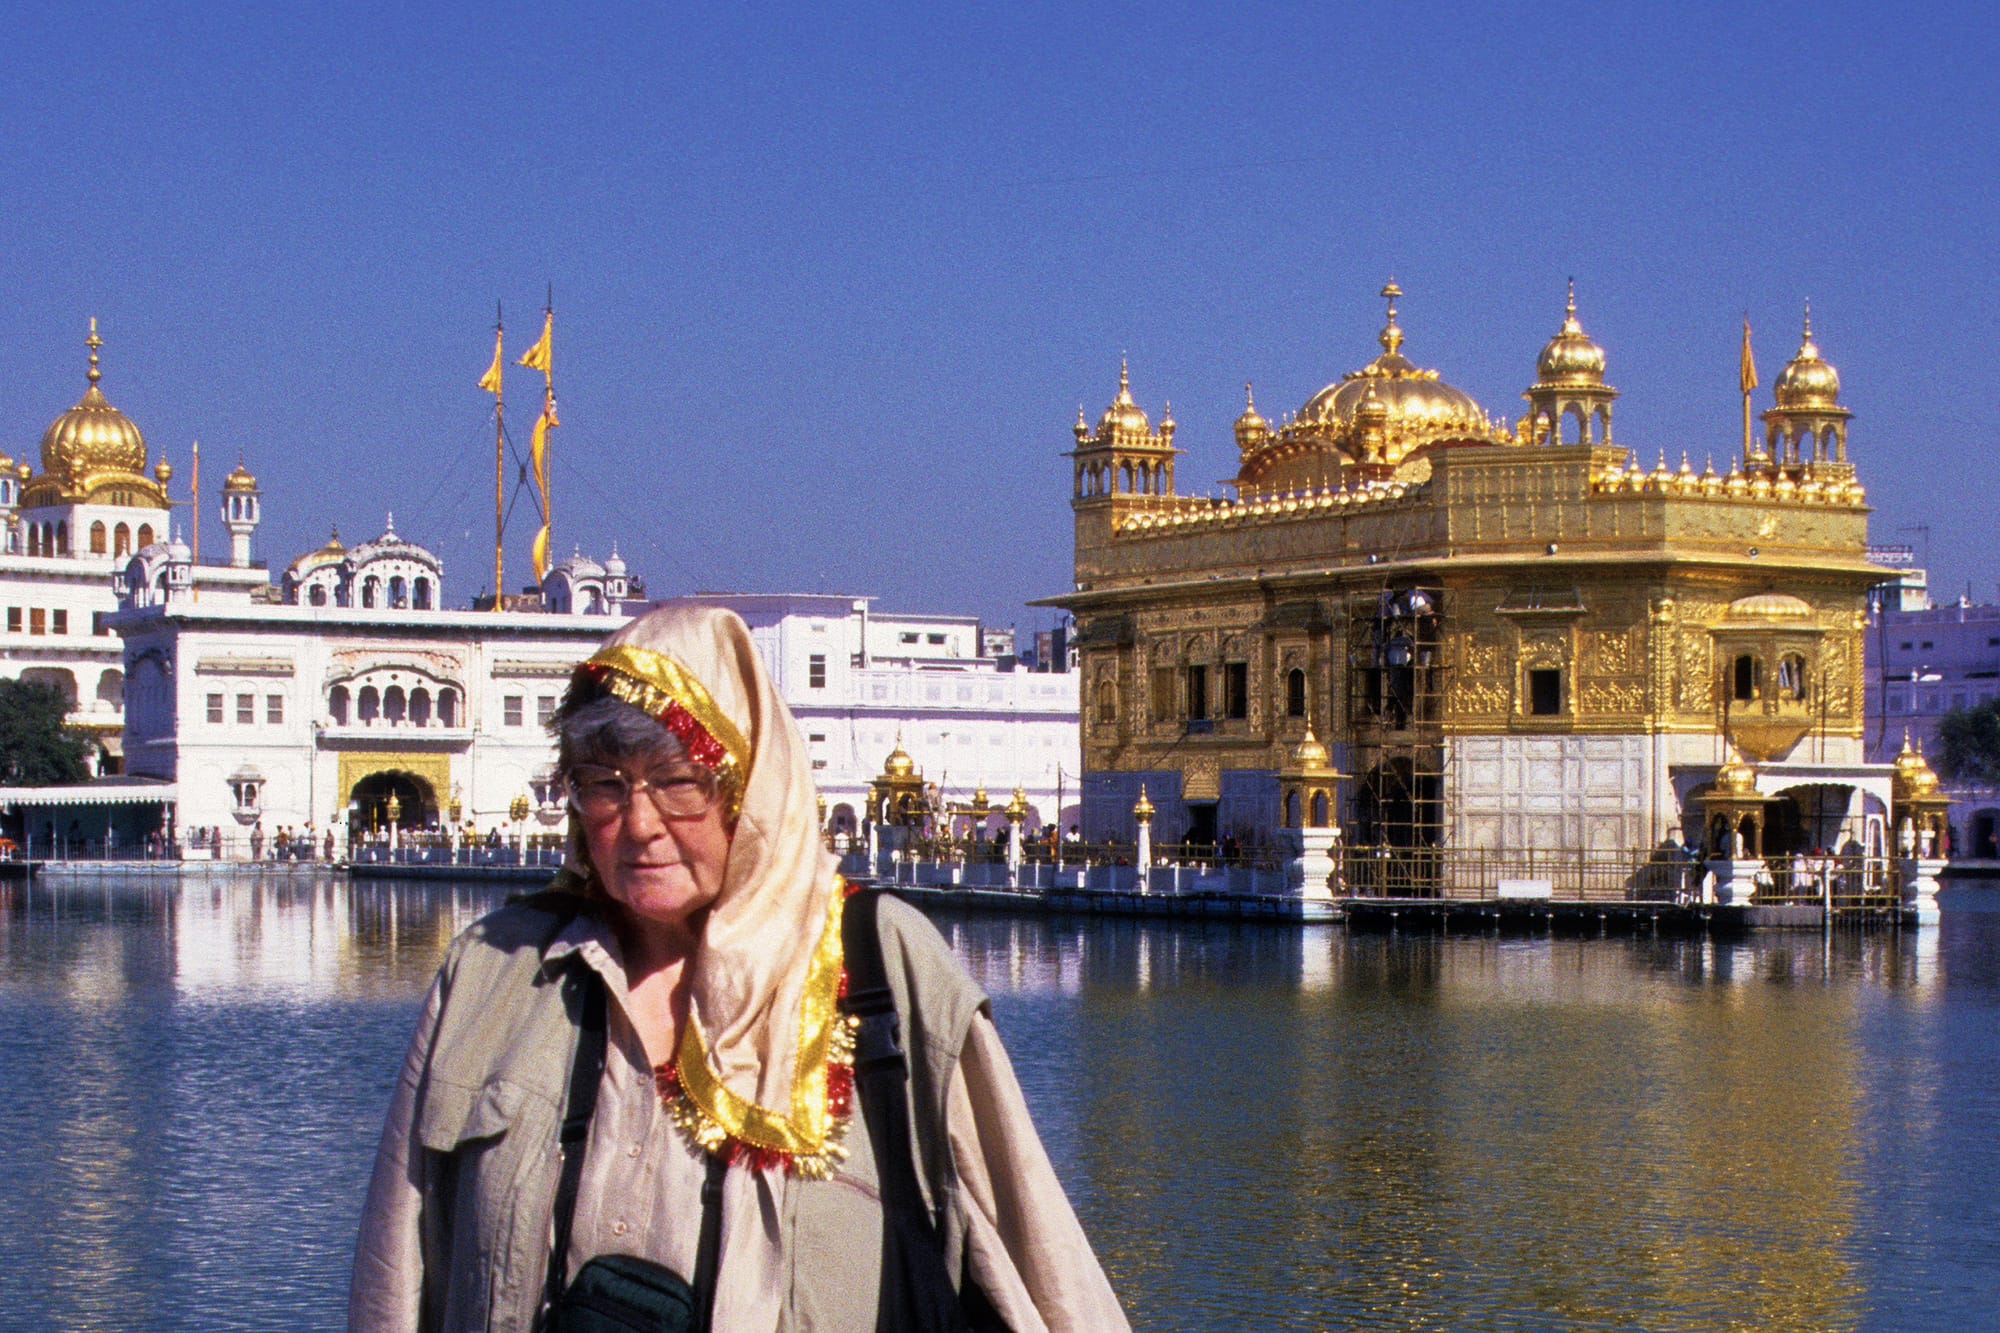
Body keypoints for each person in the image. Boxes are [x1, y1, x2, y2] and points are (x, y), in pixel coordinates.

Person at [350, 605, 1126, 1332]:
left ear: (749, 787)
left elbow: (1042, 1267)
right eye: (605, 784)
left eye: (677, 782)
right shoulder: (496, 973)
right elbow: (394, 1273)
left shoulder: (882, 966)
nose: (640, 823)